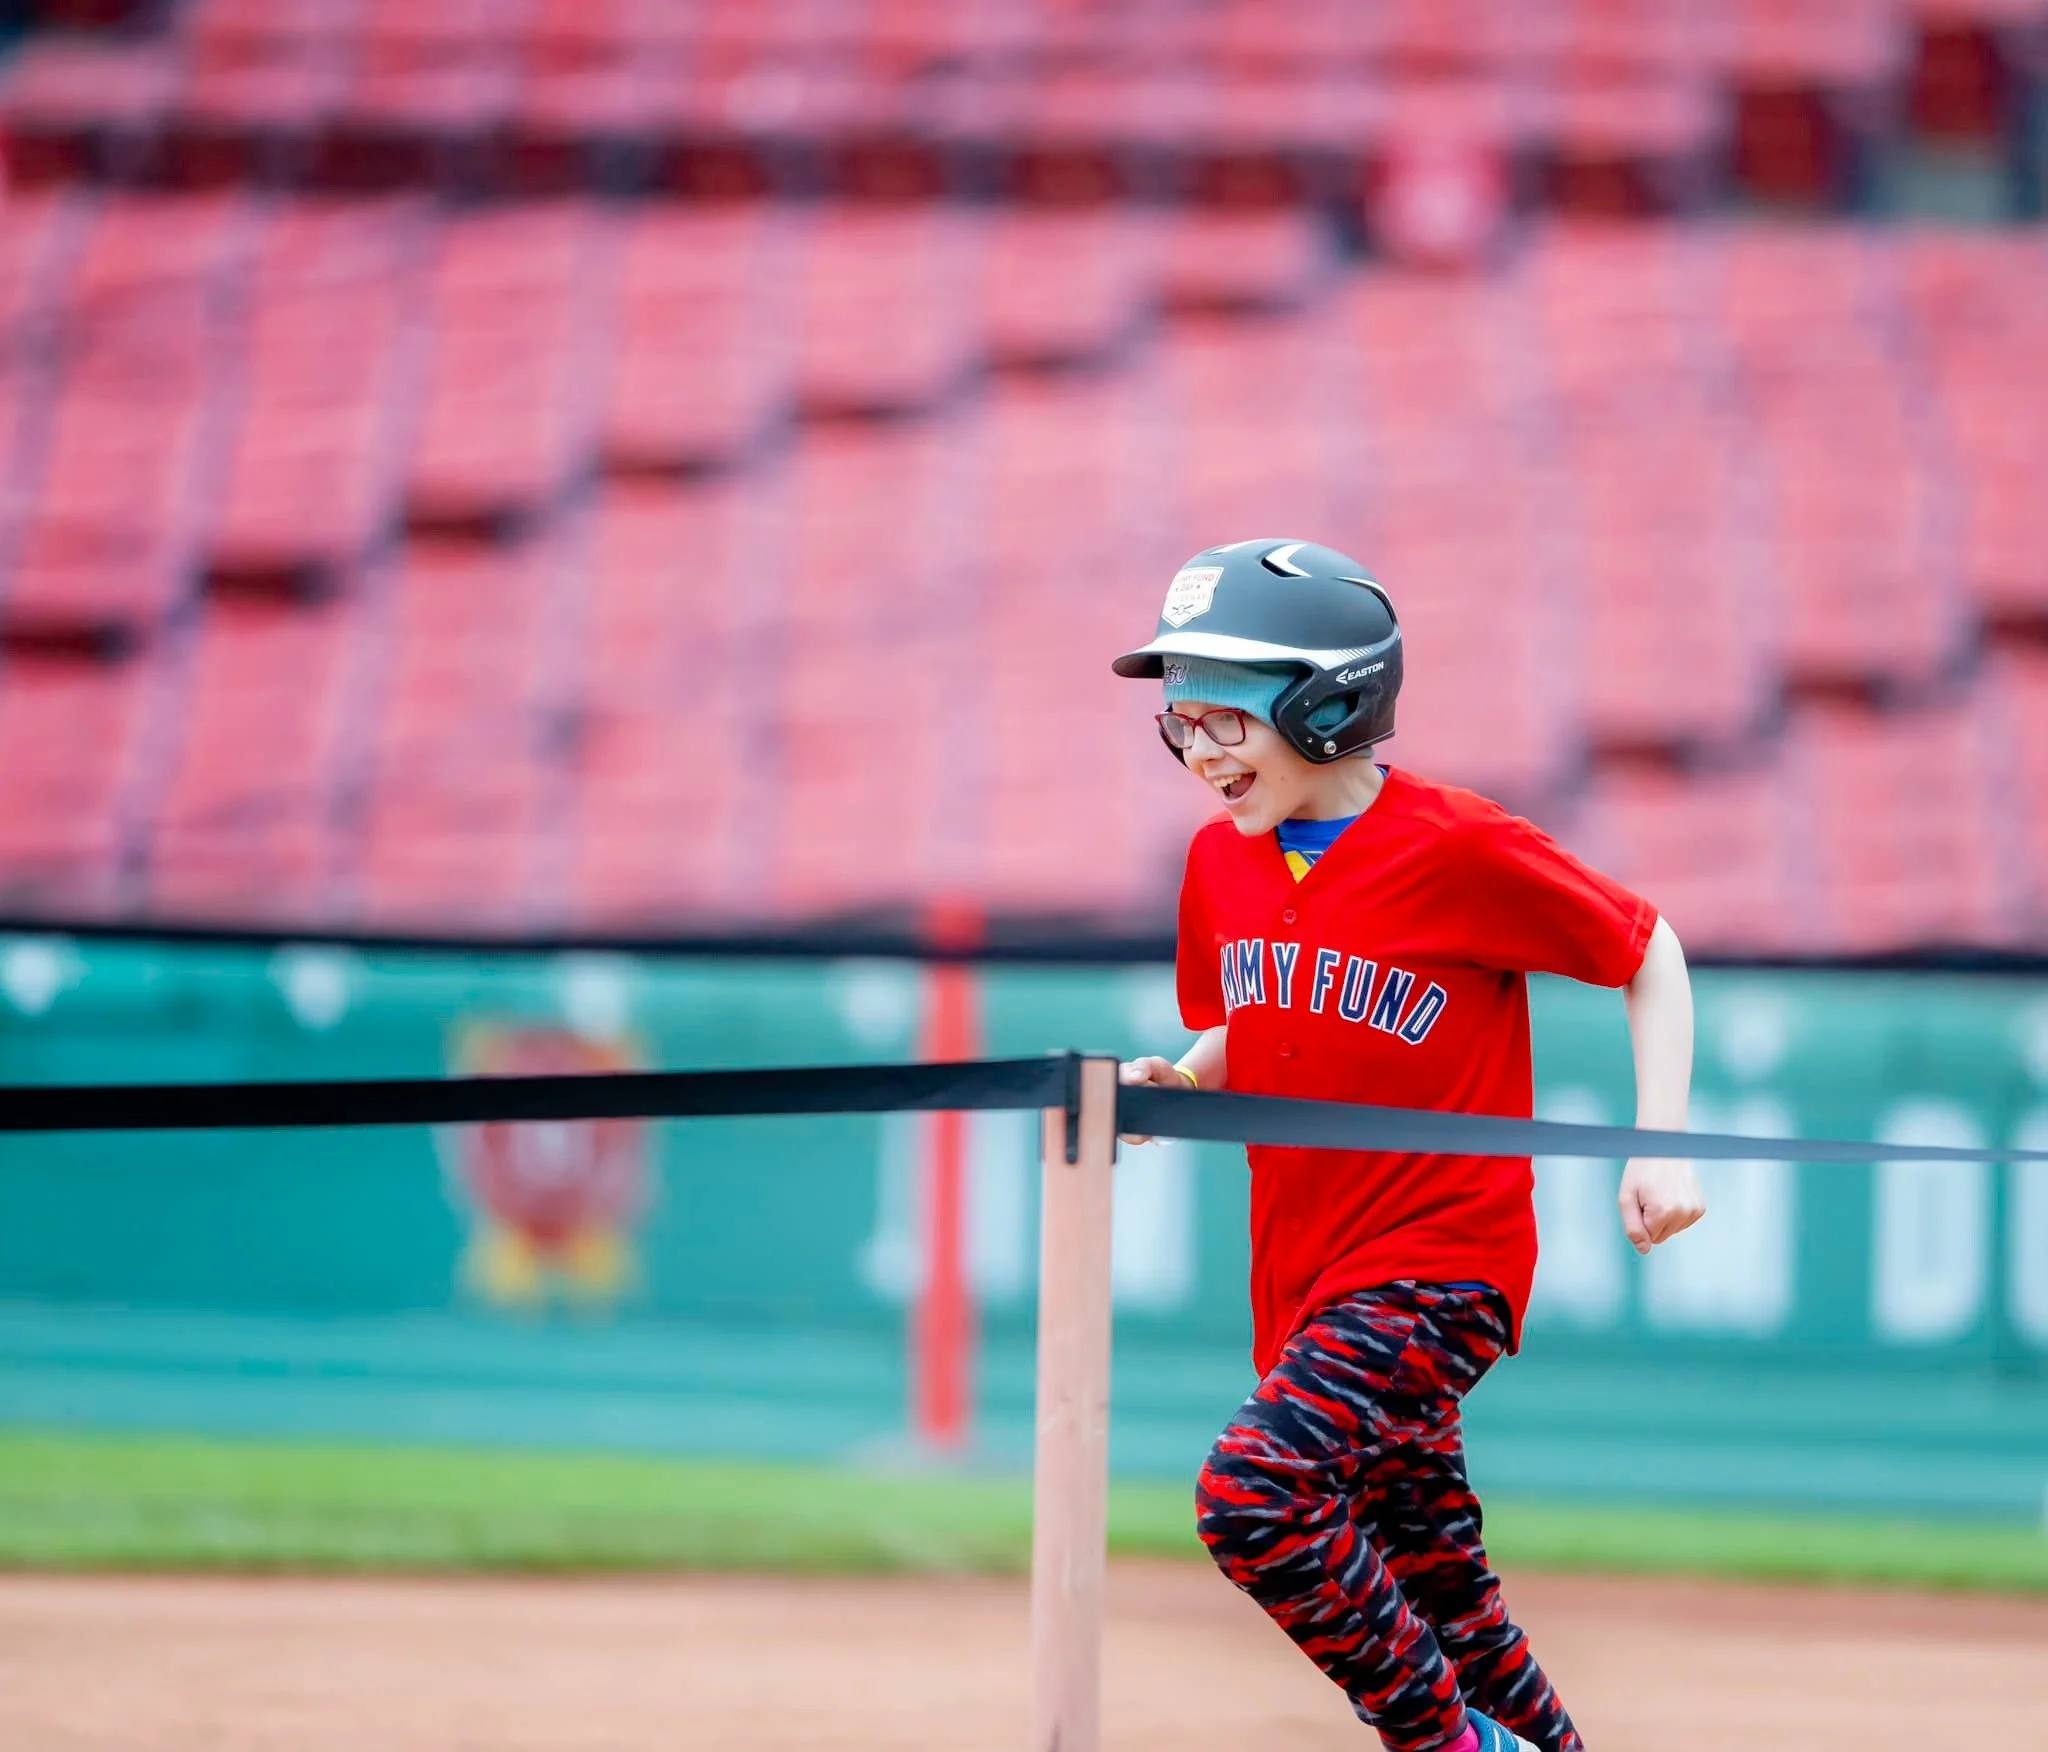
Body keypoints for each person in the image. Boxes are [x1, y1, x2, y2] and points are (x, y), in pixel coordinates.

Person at [1113, 539, 1703, 1752]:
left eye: (1225, 716)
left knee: (1254, 1495)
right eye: (1182, 721)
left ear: (1329, 702)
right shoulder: (1216, 863)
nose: (1199, 749)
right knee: (1439, 1589)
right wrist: (1178, 1077)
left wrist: (1661, 1142)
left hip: (1439, 1266)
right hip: (1304, 1275)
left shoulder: (1456, 847)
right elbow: (1243, 1020)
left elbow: (1647, 952)